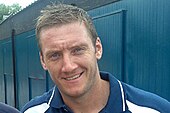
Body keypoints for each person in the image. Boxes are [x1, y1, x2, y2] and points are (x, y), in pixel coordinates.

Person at [21, 3, 170, 113]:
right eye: (55, 55)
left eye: (78, 50)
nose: (68, 66)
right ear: (43, 60)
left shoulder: (154, 110)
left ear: (97, 49)